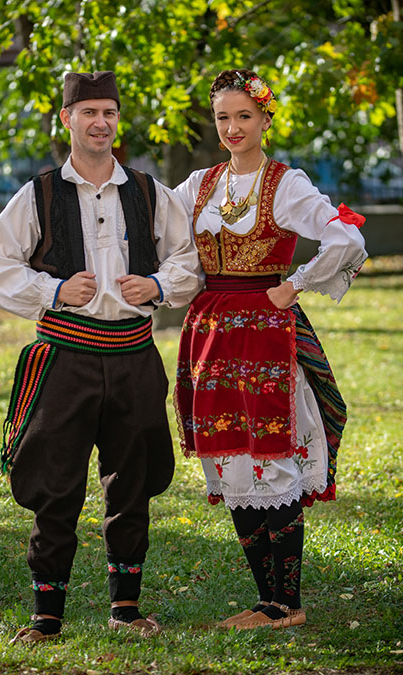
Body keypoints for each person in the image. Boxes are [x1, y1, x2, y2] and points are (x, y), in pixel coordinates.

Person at [0, 70, 203, 642]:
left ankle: (126, 608)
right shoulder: (38, 194)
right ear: (67, 119)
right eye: (89, 112)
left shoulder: (149, 192)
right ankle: (46, 616)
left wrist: (157, 285)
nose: (100, 123)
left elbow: (188, 260)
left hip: (133, 356)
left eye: (109, 112)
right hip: (64, 359)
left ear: (117, 119)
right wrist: (53, 290)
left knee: (132, 483)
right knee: (56, 486)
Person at [174, 69, 367, 630]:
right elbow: (159, 233)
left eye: (244, 116)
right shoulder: (199, 184)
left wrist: (296, 283)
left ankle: (286, 603)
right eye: (223, 117)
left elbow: (346, 236)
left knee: (270, 454)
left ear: (265, 119)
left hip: (264, 334)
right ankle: (268, 601)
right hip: (210, 333)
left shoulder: (286, 184)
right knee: (230, 456)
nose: (232, 128)